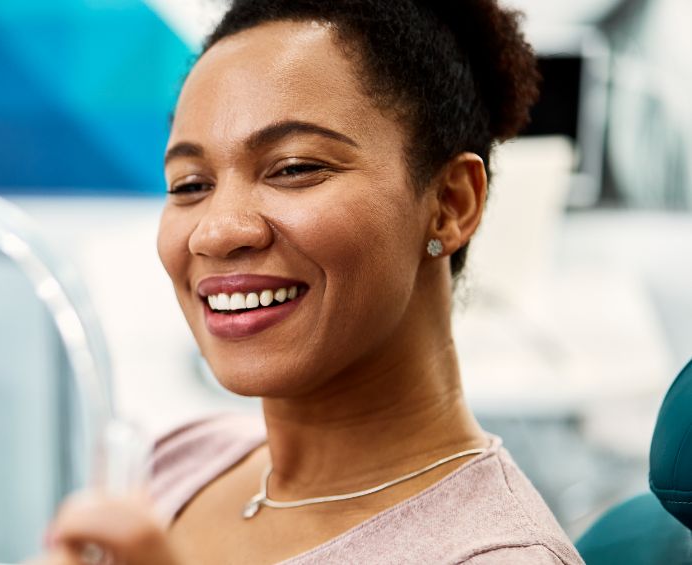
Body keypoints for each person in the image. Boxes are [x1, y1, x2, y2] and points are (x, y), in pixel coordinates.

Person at [41, 0, 584, 563]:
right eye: (189, 185)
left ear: (450, 203)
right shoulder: (175, 464)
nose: (217, 231)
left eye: (295, 167)